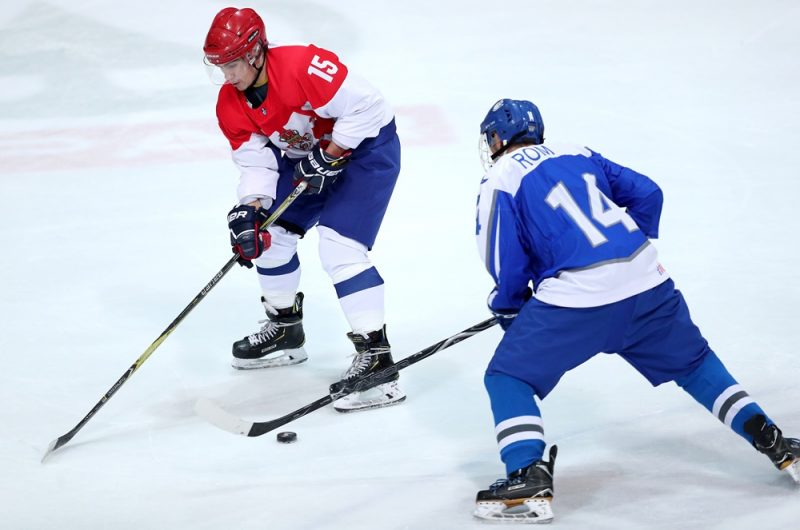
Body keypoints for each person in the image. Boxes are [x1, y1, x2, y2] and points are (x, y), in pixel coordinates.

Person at [471, 98, 800, 523]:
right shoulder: (578, 151)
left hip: (576, 301)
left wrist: (510, 307)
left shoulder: (500, 176)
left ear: (498, 138)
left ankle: (526, 474)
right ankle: (772, 439)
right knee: (695, 365)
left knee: (508, 376)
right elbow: (647, 192)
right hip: (647, 282)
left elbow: (504, 258)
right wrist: (622, 250)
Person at [202, 7, 404, 412]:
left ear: (255, 52)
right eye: (219, 66)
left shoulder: (302, 65)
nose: (226, 76)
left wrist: (332, 151)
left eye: (232, 64)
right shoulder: (230, 103)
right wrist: (251, 208)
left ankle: (378, 360)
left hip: (365, 152)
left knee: (339, 247)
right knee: (267, 236)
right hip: (306, 161)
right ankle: (285, 329)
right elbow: (257, 163)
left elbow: (369, 106)